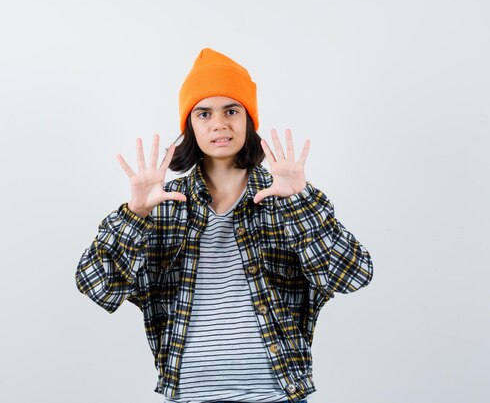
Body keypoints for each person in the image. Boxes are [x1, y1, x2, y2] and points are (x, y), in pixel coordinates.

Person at [75, 48, 374, 403]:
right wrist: (135, 214)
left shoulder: (286, 199)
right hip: (190, 396)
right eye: (204, 113)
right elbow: (97, 286)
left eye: (231, 110)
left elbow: (352, 276)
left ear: (248, 121)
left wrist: (300, 202)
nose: (219, 123)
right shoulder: (162, 206)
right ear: (191, 126)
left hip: (276, 396)